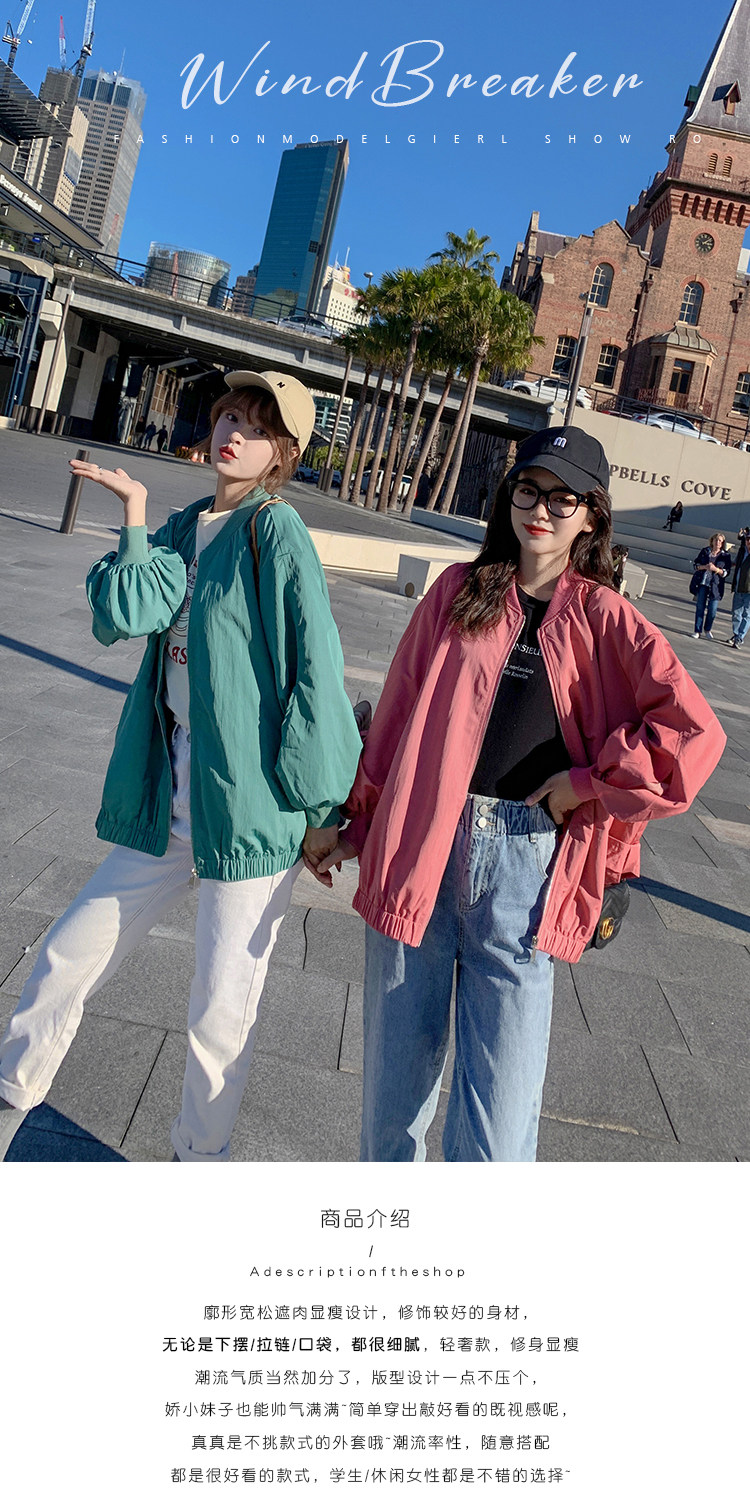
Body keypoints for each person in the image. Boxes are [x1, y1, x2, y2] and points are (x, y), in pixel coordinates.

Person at [309, 427, 726, 1162]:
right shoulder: (455, 592)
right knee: (391, 1106)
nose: (541, 509)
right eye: (529, 490)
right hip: (421, 848)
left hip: (525, 867)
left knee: (499, 1131)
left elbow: (692, 735)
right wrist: (356, 824)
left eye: (563, 499)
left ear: (591, 516)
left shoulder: (605, 619)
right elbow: (398, 718)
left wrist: (588, 784)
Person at [0, 370, 362, 1163]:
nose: (234, 433)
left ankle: (197, 1163)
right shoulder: (183, 523)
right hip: (172, 791)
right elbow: (124, 611)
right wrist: (135, 515)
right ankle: (10, 1098)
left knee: (218, 1015)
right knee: (68, 953)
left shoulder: (276, 531)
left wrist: (321, 812)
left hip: (253, 807)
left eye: (257, 427)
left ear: (282, 454)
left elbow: (314, 669)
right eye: (229, 415)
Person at [691, 532, 732, 639]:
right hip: (703, 583)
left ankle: (707, 629)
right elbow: (696, 565)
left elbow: (726, 572)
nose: (717, 542)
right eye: (716, 539)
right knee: (700, 607)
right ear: (712, 541)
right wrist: (705, 567)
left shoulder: (725, 555)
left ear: (723, 543)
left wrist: (716, 569)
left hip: (716, 586)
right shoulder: (705, 551)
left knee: (712, 610)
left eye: (720, 540)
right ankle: (697, 630)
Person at [730, 526, 750, 647]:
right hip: (738, 587)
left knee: (747, 615)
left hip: (749, 590)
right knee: (736, 614)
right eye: (747, 539)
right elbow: (735, 563)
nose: (749, 542)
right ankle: (736, 634)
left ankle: (740, 637)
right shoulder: (742, 551)